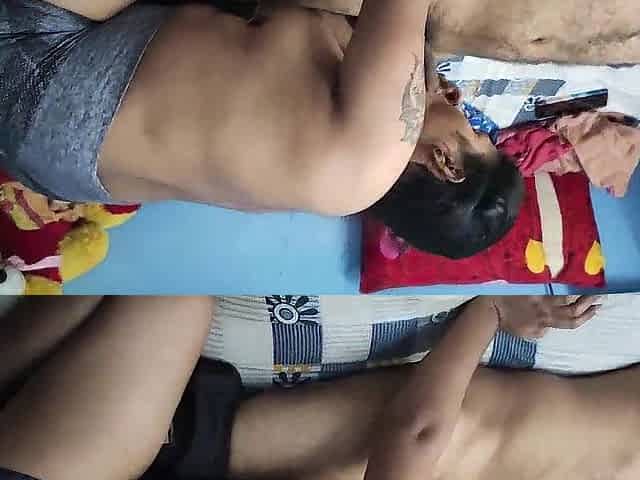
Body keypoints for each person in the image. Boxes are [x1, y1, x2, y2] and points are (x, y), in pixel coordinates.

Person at [5, 1, 637, 258]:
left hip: (52, 82)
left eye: (475, 132)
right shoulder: (344, 184)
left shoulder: (378, 144)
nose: (460, 102)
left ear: (447, 164)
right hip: (64, 166)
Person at [4, 294, 638, 480]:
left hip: (197, 442)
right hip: (204, 431)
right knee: (154, 293)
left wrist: (488, 313)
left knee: (167, 291)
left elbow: (417, 432)